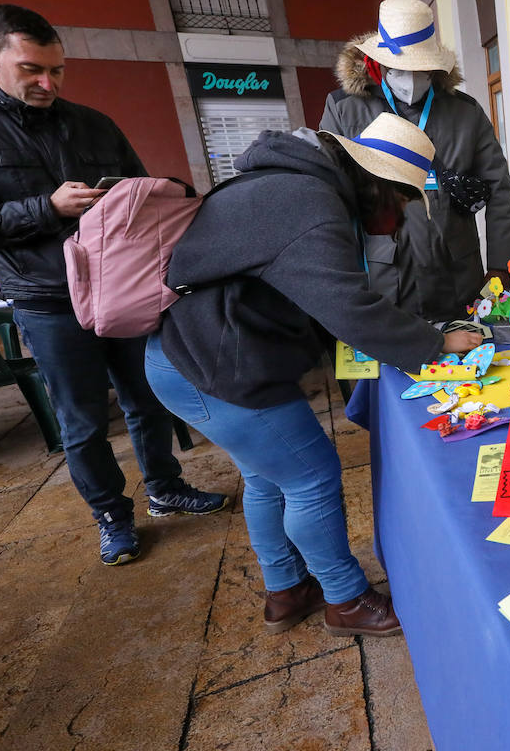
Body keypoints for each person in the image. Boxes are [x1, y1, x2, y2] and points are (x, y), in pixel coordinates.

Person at [144, 113, 481, 637]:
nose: (397, 221)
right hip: (211, 365)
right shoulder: (311, 204)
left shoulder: (291, 182)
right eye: (402, 205)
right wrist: (435, 342)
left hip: (181, 357)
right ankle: (345, 599)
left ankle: (286, 590)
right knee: (312, 475)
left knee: (267, 475)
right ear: (379, 187)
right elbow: (348, 308)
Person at [0, 4, 227, 566]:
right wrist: (45, 209)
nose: (47, 83)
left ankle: (165, 488)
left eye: (57, 71)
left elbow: (138, 191)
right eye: (31, 71)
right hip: (47, 298)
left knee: (149, 399)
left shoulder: (93, 122)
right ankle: (113, 517)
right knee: (83, 419)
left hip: (122, 289)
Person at [319, 0, 510, 322]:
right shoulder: (344, 111)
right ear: (379, 64)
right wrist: (340, 280)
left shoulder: (465, 113)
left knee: (468, 366)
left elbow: (499, 192)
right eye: (400, 69)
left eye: (420, 69)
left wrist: (500, 266)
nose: (411, 79)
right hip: (384, 283)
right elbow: (327, 199)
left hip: (458, 278)